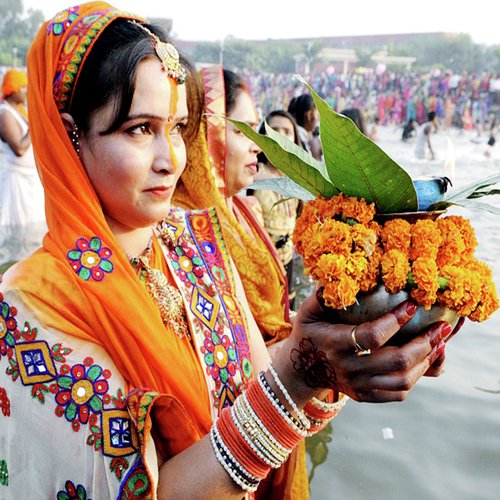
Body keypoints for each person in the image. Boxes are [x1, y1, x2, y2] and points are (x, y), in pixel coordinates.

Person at [0, 3, 456, 498]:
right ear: (72, 134)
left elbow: (264, 379)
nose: (170, 159)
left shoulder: (195, 237)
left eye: (176, 128)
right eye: (139, 130)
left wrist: (341, 345)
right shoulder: (30, 309)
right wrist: (297, 376)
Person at [174, 66, 293, 346]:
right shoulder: (180, 224)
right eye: (243, 131)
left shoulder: (244, 209)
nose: (257, 146)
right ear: (208, 133)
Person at [251, 110, 303, 311]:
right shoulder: (253, 171)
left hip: (288, 264)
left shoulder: (299, 180)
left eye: (287, 131)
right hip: (260, 266)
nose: (280, 135)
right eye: (274, 130)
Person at [0, 69, 46, 264]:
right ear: (13, 90)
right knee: (17, 234)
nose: (26, 91)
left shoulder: (19, 112)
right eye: (23, 87)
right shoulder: (5, 113)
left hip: (30, 182)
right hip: (17, 183)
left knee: (33, 231)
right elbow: (19, 147)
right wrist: (36, 121)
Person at [288, 93, 322, 160]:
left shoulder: (301, 136)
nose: (318, 119)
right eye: (317, 115)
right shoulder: (299, 139)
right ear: (309, 115)